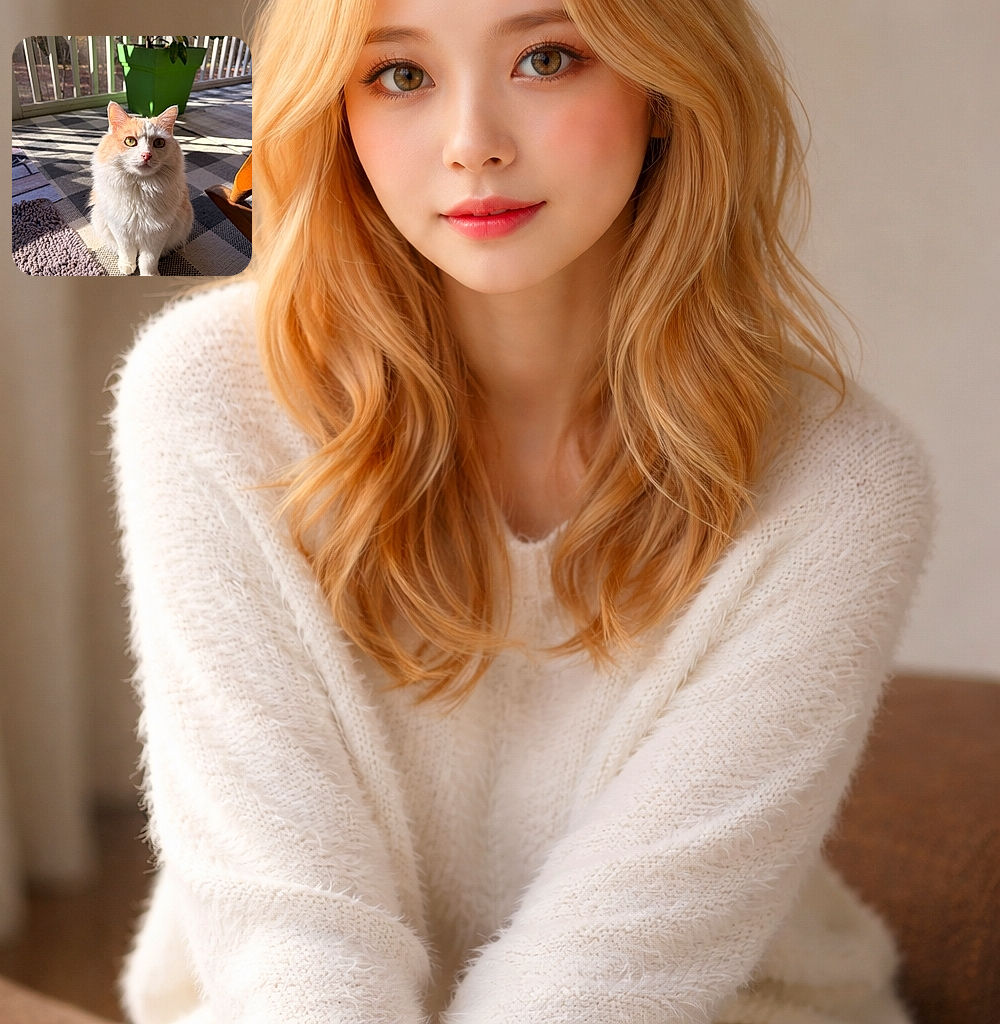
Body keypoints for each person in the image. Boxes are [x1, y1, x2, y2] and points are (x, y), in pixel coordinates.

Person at [111, 0, 933, 1020]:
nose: (471, 148)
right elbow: (292, 937)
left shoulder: (841, 481)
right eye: (400, 76)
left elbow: (617, 968)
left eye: (547, 59)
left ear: (664, 87)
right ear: (334, 110)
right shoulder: (205, 397)